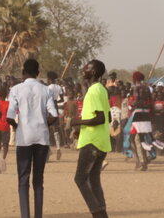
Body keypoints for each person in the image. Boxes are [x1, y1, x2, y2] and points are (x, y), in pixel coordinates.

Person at [7, 59, 58, 218]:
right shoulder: (45, 90)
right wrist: (44, 124)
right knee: (38, 181)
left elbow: (9, 116)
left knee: (23, 179)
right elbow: (54, 115)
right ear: (38, 73)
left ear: (23, 72)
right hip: (41, 138)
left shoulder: (15, 89)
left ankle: (25, 215)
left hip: (24, 139)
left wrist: (18, 127)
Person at [71, 59, 111, 218]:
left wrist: (78, 122)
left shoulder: (94, 90)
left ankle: (97, 214)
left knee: (80, 179)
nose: (83, 69)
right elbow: (106, 115)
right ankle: (102, 213)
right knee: (94, 179)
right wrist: (81, 130)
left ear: (93, 72)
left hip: (92, 143)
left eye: (86, 67)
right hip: (100, 141)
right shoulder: (102, 89)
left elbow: (100, 118)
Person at [47, 71, 64, 160]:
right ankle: (58, 148)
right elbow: (61, 98)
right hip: (56, 106)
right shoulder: (59, 87)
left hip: (49, 107)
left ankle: (48, 150)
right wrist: (56, 101)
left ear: (49, 79)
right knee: (55, 129)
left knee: (46, 128)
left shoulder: (48, 87)